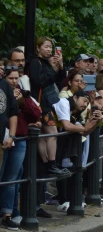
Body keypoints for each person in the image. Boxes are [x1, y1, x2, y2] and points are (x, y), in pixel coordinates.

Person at [0, 68, 41, 229]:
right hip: (8, 138)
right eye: (12, 78)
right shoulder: (3, 86)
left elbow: (34, 113)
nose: (14, 81)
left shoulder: (18, 92)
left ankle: (10, 213)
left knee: (13, 178)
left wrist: (24, 98)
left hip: (17, 139)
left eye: (17, 78)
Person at [27, 37, 67, 178]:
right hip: (40, 105)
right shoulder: (35, 62)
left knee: (45, 136)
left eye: (51, 47)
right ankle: (50, 163)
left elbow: (60, 79)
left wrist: (59, 66)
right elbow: (41, 81)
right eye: (46, 47)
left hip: (44, 103)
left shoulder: (44, 62)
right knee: (52, 133)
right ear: (38, 48)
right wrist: (52, 69)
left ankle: (47, 164)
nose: (49, 50)